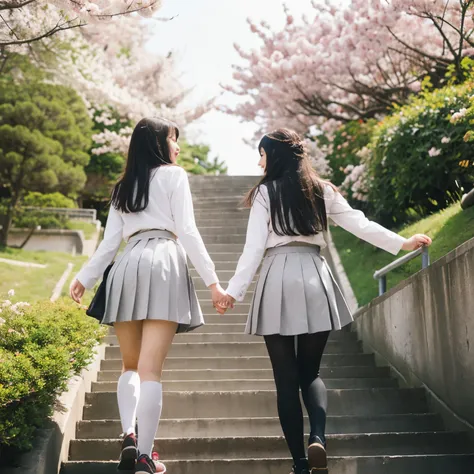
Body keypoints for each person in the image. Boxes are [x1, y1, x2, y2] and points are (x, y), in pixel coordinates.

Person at [216, 129, 432, 474]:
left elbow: (254, 248)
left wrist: (233, 292)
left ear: (276, 156)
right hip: (315, 275)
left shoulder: (264, 194)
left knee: (285, 380)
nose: (259, 162)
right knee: (311, 372)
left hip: (277, 277)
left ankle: (300, 464)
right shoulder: (322, 190)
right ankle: (318, 437)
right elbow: (359, 224)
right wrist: (403, 243)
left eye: (262, 154)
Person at [69, 117, 226, 474]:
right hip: (164, 262)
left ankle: (128, 434)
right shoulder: (174, 175)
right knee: (151, 370)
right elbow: (186, 229)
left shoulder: (124, 185)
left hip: (127, 265)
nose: (178, 147)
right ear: (159, 143)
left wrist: (84, 277)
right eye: (173, 139)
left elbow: (110, 244)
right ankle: (144, 455)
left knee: (129, 366)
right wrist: (213, 282)